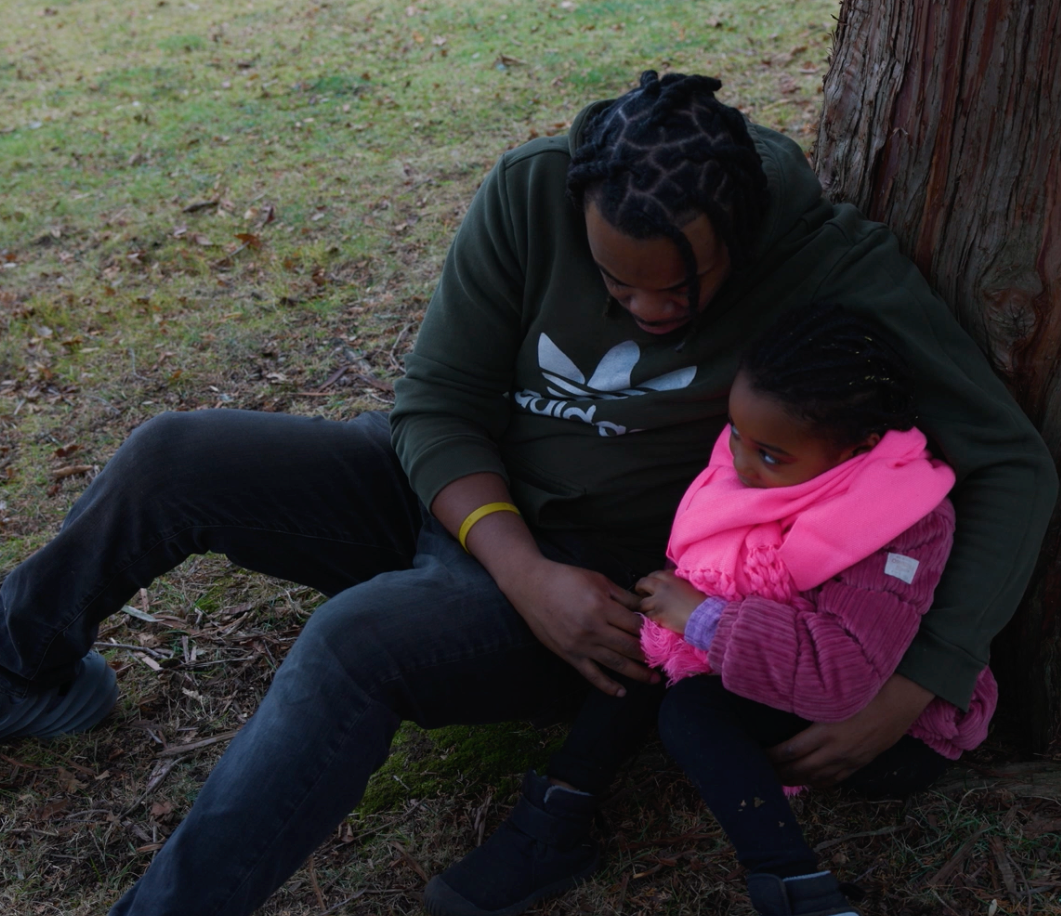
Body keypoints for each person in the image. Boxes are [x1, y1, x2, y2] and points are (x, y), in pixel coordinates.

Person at [0, 71, 1057, 916]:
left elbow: (1005, 462)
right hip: (484, 528)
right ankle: (23, 670)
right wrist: (509, 562)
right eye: (616, 284)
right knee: (175, 452)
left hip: (605, 599)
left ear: (741, 237)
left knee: (356, 640)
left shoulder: (825, 263)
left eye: (677, 296)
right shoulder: (534, 193)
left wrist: (919, 684)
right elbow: (434, 402)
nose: (644, 310)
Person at [424, 304, 997, 916]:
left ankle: (796, 888)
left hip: (879, 733)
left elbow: (844, 674)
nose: (742, 466)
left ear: (858, 448)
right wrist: (678, 614)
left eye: (770, 455)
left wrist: (702, 618)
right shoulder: (769, 462)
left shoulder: (901, 519)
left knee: (691, 711)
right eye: (735, 436)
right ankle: (555, 815)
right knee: (639, 641)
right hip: (766, 659)